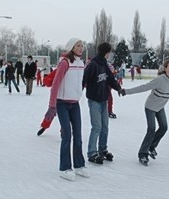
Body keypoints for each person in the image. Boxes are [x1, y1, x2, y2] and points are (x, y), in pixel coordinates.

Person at [119, 59, 169, 166]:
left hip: (160, 107)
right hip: (150, 107)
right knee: (151, 129)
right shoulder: (160, 79)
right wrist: (126, 91)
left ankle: (151, 146)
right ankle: (142, 153)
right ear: (165, 68)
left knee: (164, 127)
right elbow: (144, 87)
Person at [44, 38, 88, 181]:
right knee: (67, 135)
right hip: (62, 103)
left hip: (75, 104)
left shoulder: (81, 63)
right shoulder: (65, 63)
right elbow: (55, 84)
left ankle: (79, 164)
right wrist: (52, 105)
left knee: (78, 136)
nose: (81, 48)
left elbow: (80, 82)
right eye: (78, 45)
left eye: (82, 46)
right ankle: (64, 167)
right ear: (71, 47)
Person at [83, 42, 122, 164]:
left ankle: (102, 149)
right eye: (109, 52)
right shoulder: (93, 65)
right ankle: (91, 153)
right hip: (94, 100)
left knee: (105, 127)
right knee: (97, 127)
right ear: (106, 53)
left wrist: (119, 88)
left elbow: (110, 78)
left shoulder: (104, 64)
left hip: (103, 100)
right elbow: (84, 79)